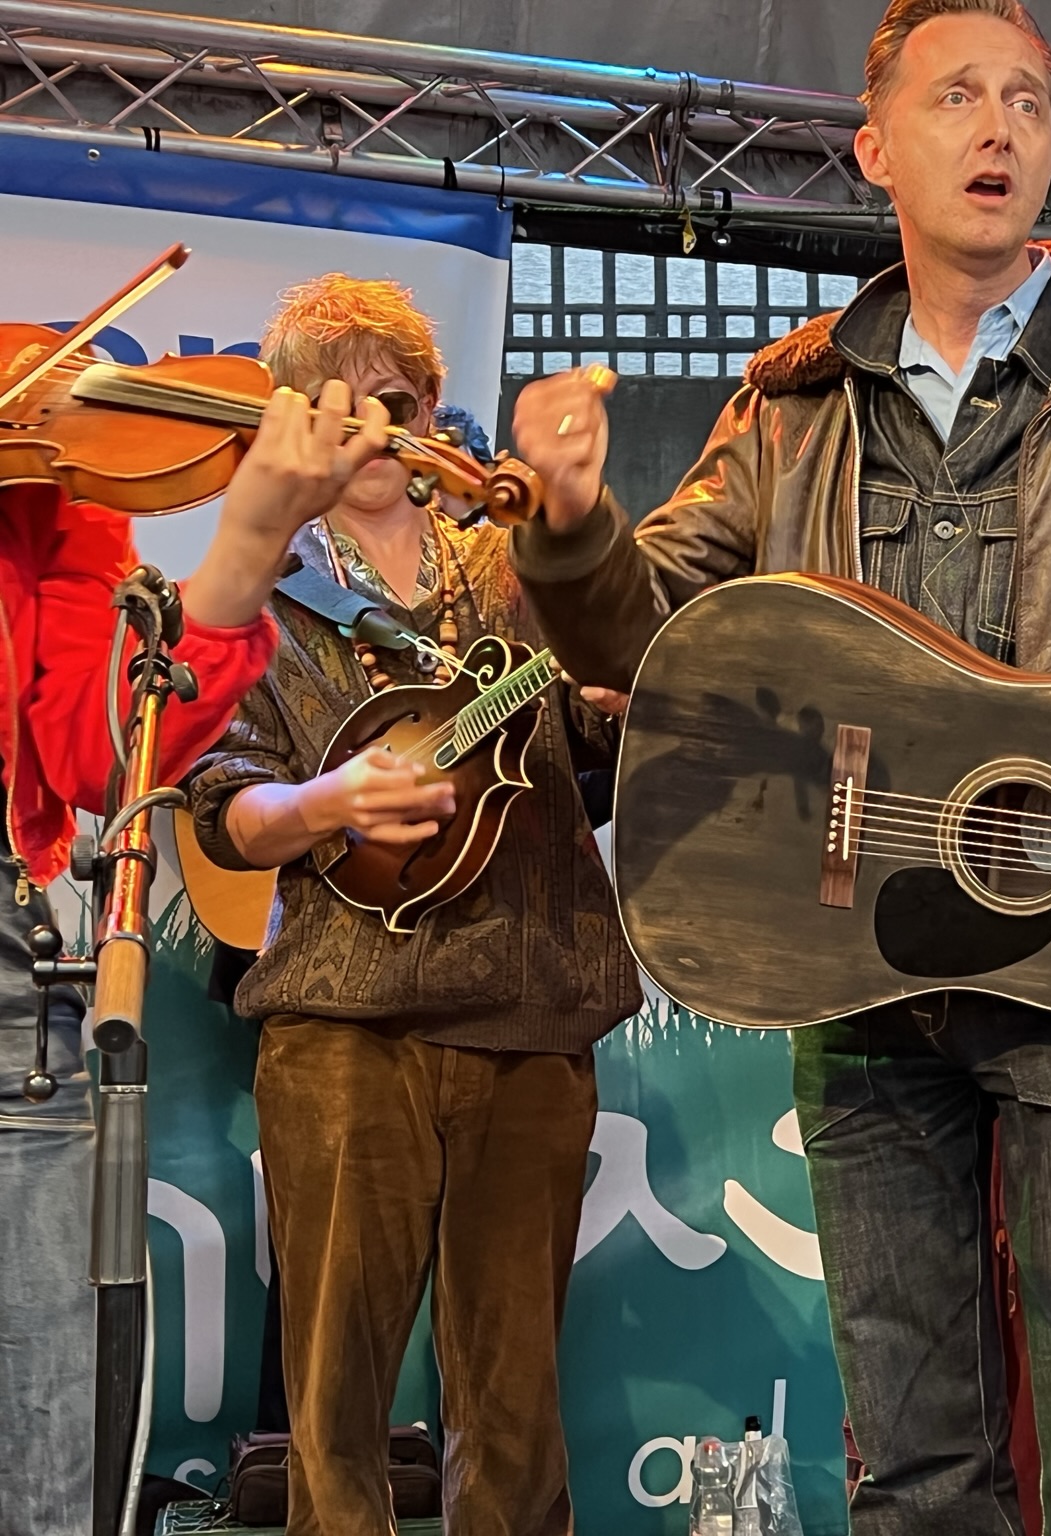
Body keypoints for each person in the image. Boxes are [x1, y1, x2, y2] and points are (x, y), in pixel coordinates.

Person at [504, 2, 1051, 1528]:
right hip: (857, 977)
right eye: (958, 96)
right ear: (876, 146)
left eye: (1029, 100)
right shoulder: (788, 401)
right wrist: (567, 527)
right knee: (915, 1472)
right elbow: (655, 638)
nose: (1000, 127)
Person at [183, 274, 642, 1536]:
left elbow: (602, 739)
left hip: (530, 1000)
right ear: (290, 421)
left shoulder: (517, 562)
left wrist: (617, 699)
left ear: (434, 409)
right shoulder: (261, 586)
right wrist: (323, 804)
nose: (370, 431)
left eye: (392, 402)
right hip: (344, 1020)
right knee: (335, 1402)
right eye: (333, 407)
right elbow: (220, 804)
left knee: (515, 1407)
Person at [0, 384, 400, 1536]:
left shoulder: (35, 479)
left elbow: (99, 753)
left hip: (9, 988)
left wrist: (250, 540)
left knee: (47, 1450)